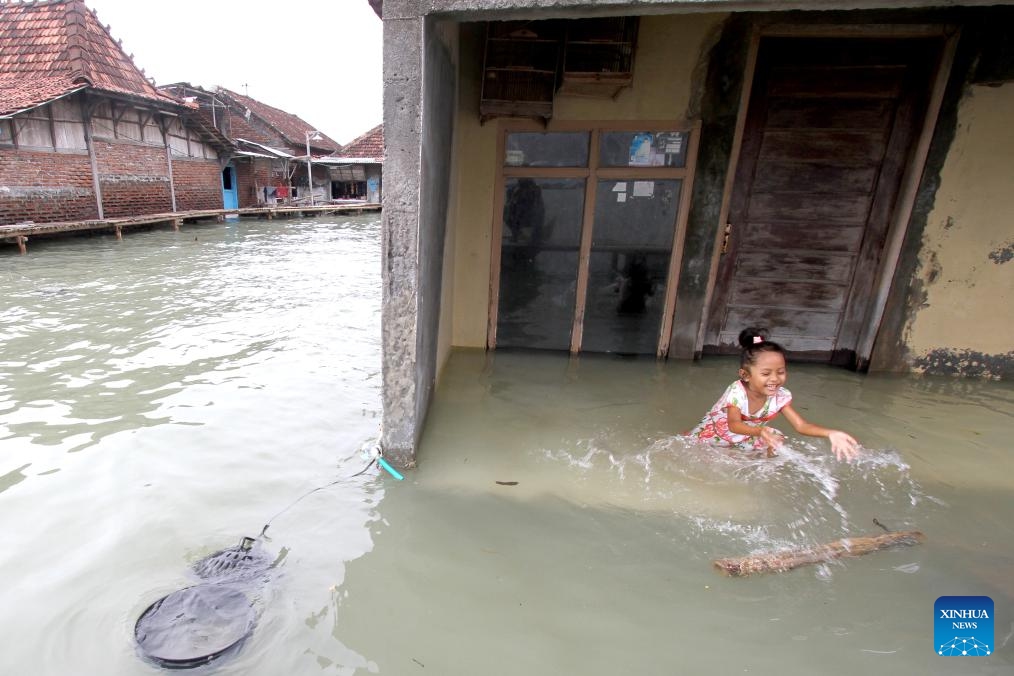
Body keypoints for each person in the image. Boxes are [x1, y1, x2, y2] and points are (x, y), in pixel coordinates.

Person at [689, 327, 860, 461]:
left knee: (775, 440)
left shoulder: (780, 396)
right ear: (745, 375)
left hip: (751, 433)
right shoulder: (736, 391)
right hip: (719, 431)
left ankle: (761, 468)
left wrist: (830, 433)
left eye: (780, 372)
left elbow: (801, 426)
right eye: (766, 373)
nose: (775, 379)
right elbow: (733, 425)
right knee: (693, 449)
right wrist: (761, 431)